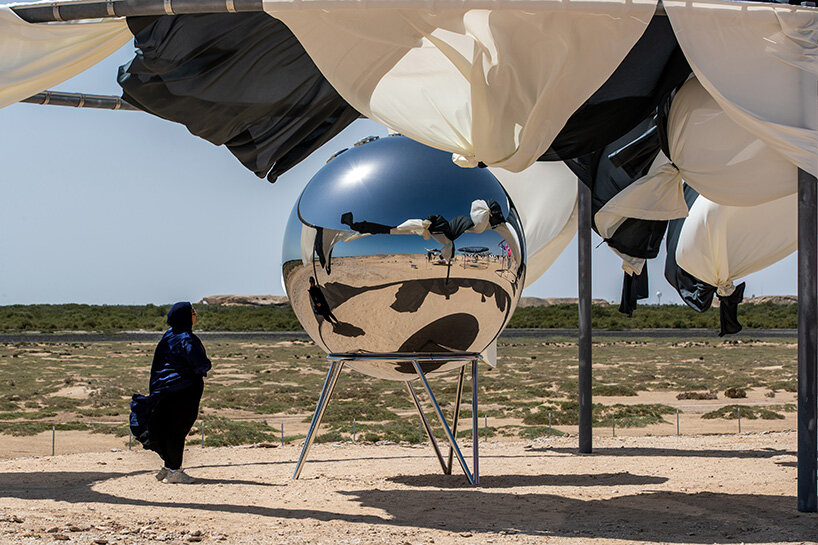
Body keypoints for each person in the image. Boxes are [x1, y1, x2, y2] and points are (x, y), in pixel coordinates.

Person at [130, 302, 211, 484]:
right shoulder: (186, 338)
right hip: (183, 390)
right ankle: (175, 471)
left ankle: (168, 467)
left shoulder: (169, 335)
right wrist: (206, 366)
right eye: (192, 311)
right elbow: (199, 363)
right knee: (177, 430)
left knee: (168, 428)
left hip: (165, 390)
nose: (195, 314)